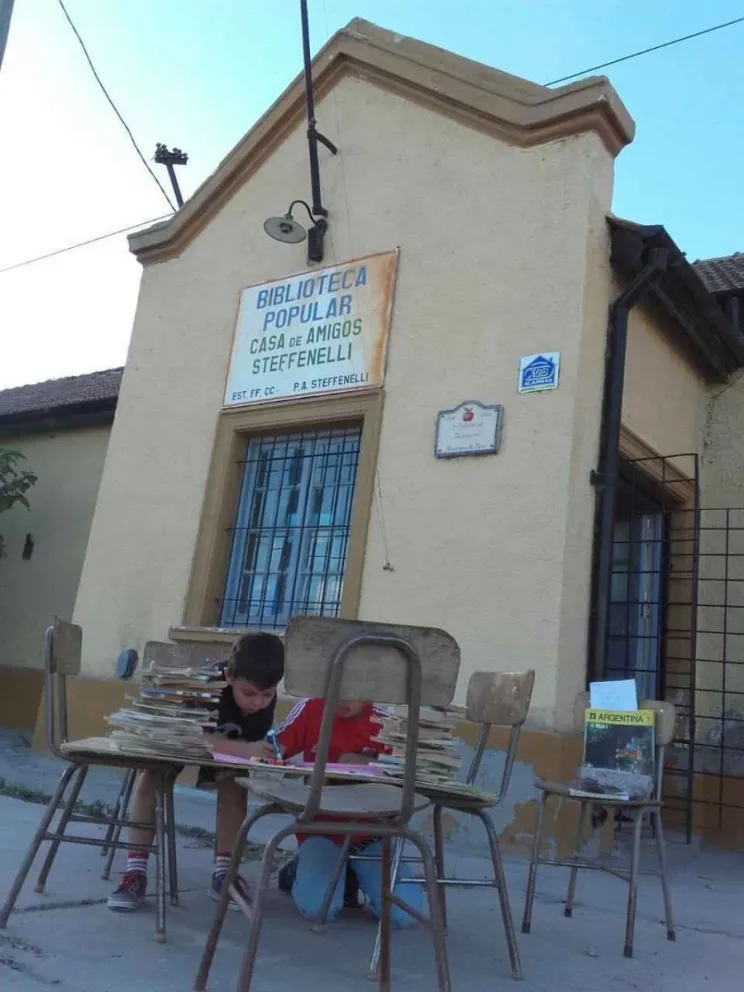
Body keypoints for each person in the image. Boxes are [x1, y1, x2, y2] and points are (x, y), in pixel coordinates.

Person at [107, 632, 284, 913]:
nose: (258, 703)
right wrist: (242, 748)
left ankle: (225, 873)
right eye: (249, 694)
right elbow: (182, 736)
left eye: (268, 694)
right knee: (151, 776)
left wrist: (261, 753)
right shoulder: (203, 685)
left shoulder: (261, 697)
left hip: (221, 751)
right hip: (172, 742)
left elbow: (247, 748)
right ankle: (135, 871)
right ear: (228, 676)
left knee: (235, 783)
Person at [275, 698, 424, 927]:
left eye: (355, 691)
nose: (344, 697)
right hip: (321, 831)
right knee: (318, 910)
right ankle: (297, 871)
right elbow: (275, 749)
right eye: (340, 687)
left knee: (403, 914)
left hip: (370, 835)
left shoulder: (388, 723)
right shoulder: (311, 707)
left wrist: (360, 762)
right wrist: (273, 750)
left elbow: (406, 772)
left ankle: (351, 875)